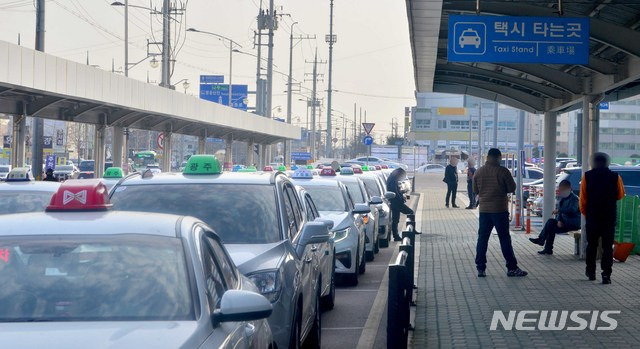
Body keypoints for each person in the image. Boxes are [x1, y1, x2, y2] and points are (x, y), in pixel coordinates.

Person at [473, 148, 527, 277]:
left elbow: (475, 189)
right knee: (504, 238)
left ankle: (481, 268)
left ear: (487, 157)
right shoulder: (502, 171)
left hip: (484, 210)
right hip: (499, 210)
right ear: (498, 157)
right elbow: (511, 188)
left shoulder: (479, 172)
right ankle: (512, 267)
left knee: (482, 238)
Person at [580, 152, 625, 284]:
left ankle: (591, 272)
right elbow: (620, 195)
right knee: (607, 246)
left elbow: (583, 199)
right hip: (608, 216)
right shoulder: (615, 177)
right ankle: (606, 275)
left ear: (593, 163)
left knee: (592, 245)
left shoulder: (587, 177)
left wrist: (586, 213)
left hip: (592, 216)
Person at [529, 180, 580, 255]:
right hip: (564, 222)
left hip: (572, 223)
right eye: (561, 189)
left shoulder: (574, 199)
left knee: (550, 226)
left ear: (569, 188)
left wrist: (559, 211)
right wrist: (559, 220)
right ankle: (545, 245)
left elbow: (572, 210)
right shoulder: (562, 199)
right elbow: (559, 212)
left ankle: (543, 242)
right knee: (550, 223)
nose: (562, 191)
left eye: (563, 189)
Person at [387, 167, 414, 241]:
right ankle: (399, 234)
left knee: (396, 219)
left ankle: (396, 235)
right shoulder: (392, 180)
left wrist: (402, 192)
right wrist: (401, 198)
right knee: (410, 213)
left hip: (395, 202)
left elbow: (396, 191)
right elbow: (394, 192)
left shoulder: (392, 178)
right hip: (396, 203)